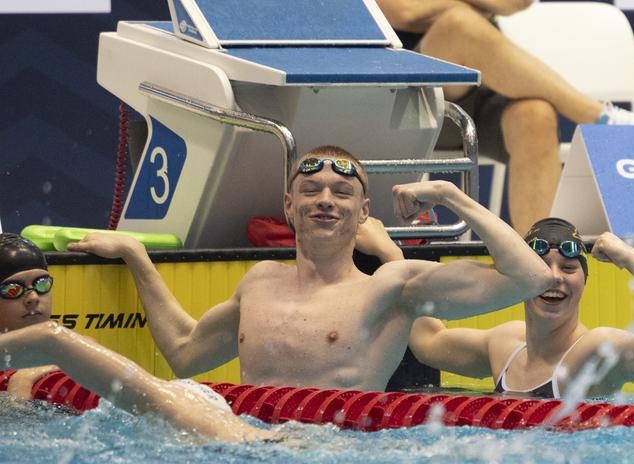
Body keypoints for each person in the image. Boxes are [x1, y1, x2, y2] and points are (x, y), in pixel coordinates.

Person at [67, 146, 552, 392]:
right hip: (252, 452)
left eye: (342, 193)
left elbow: (529, 277)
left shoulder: (392, 287)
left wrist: (449, 195)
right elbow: (184, 354)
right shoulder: (259, 282)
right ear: (288, 206)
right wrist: (136, 257)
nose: (325, 200)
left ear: (363, 213)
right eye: (311, 190)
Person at [325, 0, 634, 235]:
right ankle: (598, 116)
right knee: (459, 23)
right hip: (406, 103)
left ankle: (539, 260)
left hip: (476, 98)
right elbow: (402, 8)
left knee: (535, 114)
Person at [0, 233, 274, 443]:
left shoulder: (76, 345)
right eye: (13, 289)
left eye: (42, 284)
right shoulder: (53, 345)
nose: (32, 297)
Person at [409, 218, 634, 398]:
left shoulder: (595, 351)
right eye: (542, 267)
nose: (554, 277)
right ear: (520, 281)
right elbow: (428, 342)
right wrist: (394, 256)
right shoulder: (504, 345)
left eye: (569, 268)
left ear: (584, 282)